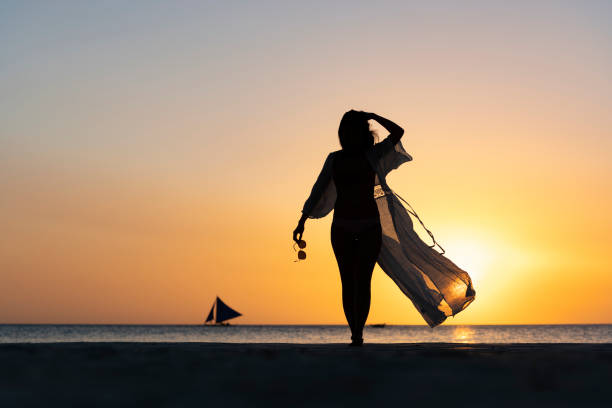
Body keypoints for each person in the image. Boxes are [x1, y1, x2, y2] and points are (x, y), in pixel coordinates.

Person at [293, 110, 404, 346]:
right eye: (346, 130)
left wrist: (374, 115)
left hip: (369, 226)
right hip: (342, 227)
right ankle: (355, 332)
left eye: (354, 129)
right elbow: (318, 189)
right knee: (347, 281)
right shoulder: (335, 159)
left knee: (362, 281)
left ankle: (358, 335)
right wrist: (302, 220)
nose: (348, 134)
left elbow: (398, 132)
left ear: (361, 133)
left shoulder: (372, 155)